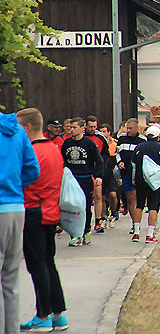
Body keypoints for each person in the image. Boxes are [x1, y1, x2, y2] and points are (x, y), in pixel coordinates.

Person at [16, 109, 68, 332]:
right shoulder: (53, 148)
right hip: (50, 210)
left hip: (34, 210)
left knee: (37, 265)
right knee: (48, 263)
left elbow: (23, 180)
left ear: (27, 127)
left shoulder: (31, 152)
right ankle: (58, 314)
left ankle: (43, 314)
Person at [0, 111, 40, 332]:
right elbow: (33, 169)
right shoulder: (17, 130)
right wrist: (14, 184)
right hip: (16, 206)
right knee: (11, 279)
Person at [60, 117, 103, 246]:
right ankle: (75, 234)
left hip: (85, 178)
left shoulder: (89, 143)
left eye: (74, 127)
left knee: (85, 207)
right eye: (70, 127)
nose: (71, 130)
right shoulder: (67, 143)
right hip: (71, 180)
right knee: (71, 206)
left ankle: (86, 231)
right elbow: (62, 160)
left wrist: (98, 176)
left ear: (82, 128)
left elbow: (99, 161)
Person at [132, 126, 160, 243]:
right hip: (155, 182)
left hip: (140, 180)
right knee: (153, 206)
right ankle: (149, 234)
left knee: (139, 205)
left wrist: (134, 180)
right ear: (158, 137)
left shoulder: (139, 147)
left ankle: (136, 233)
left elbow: (133, 165)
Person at [115, 119, 146, 239]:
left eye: (130, 128)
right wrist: (119, 162)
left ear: (137, 128)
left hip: (137, 174)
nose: (128, 131)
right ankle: (135, 223)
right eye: (127, 128)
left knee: (136, 197)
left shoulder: (142, 140)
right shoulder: (122, 139)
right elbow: (117, 153)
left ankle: (137, 222)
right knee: (130, 198)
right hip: (126, 173)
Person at [84, 116, 110, 234]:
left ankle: (98, 221)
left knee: (98, 196)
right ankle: (85, 222)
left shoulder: (100, 137)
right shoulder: (82, 136)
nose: (93, 129)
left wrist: (100, 161)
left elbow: (106, 153)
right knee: (86, 199)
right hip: (84, 170)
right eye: (90, 127)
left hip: (97, 171)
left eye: (95, 126)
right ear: (85, 125)